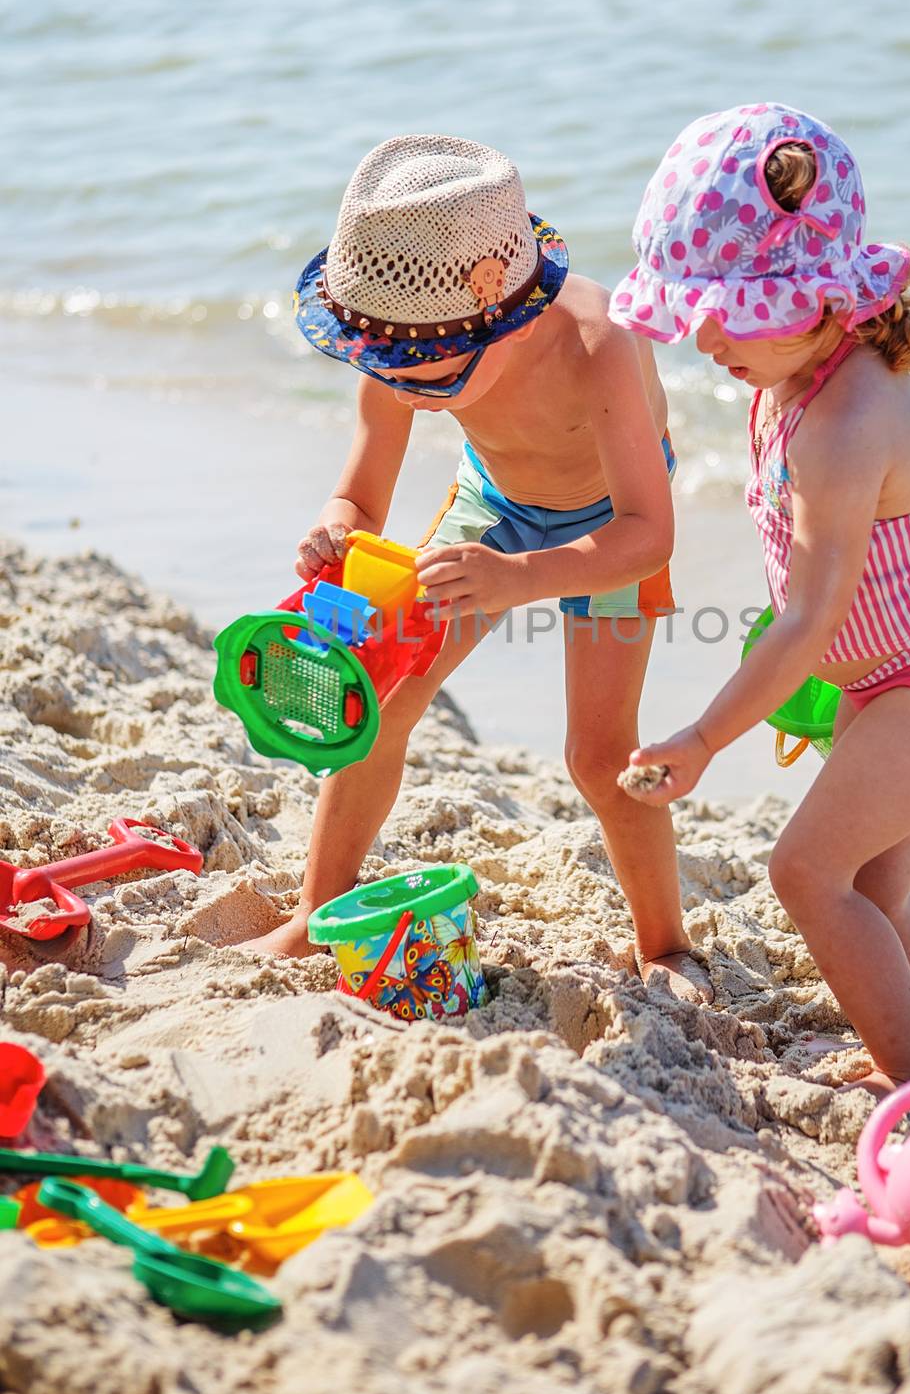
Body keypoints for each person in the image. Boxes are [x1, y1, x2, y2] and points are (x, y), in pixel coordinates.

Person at [610, 104, 910, 1094]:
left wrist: (704, 737)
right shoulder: (784, 374)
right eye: (694, 308)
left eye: (726, 310)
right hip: (882, 676)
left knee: (803, 872)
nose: (704, 332)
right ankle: (898, 1044)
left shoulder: (847, 418)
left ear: (818, 296)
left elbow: (811, 613)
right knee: (875, 880)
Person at [243, 134, 710, 1000]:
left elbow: (651, 533)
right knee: (381, 705)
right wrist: (333, 531)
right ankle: (319, 910)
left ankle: (665, 945)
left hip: (611, 518)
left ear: (498, 309)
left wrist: (527, 578)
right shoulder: (398, 331)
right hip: (492, 505)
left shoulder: (600, 341)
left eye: (430, 380)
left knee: (598, 751)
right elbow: (360, 498)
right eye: (390, 374)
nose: (406, 392)